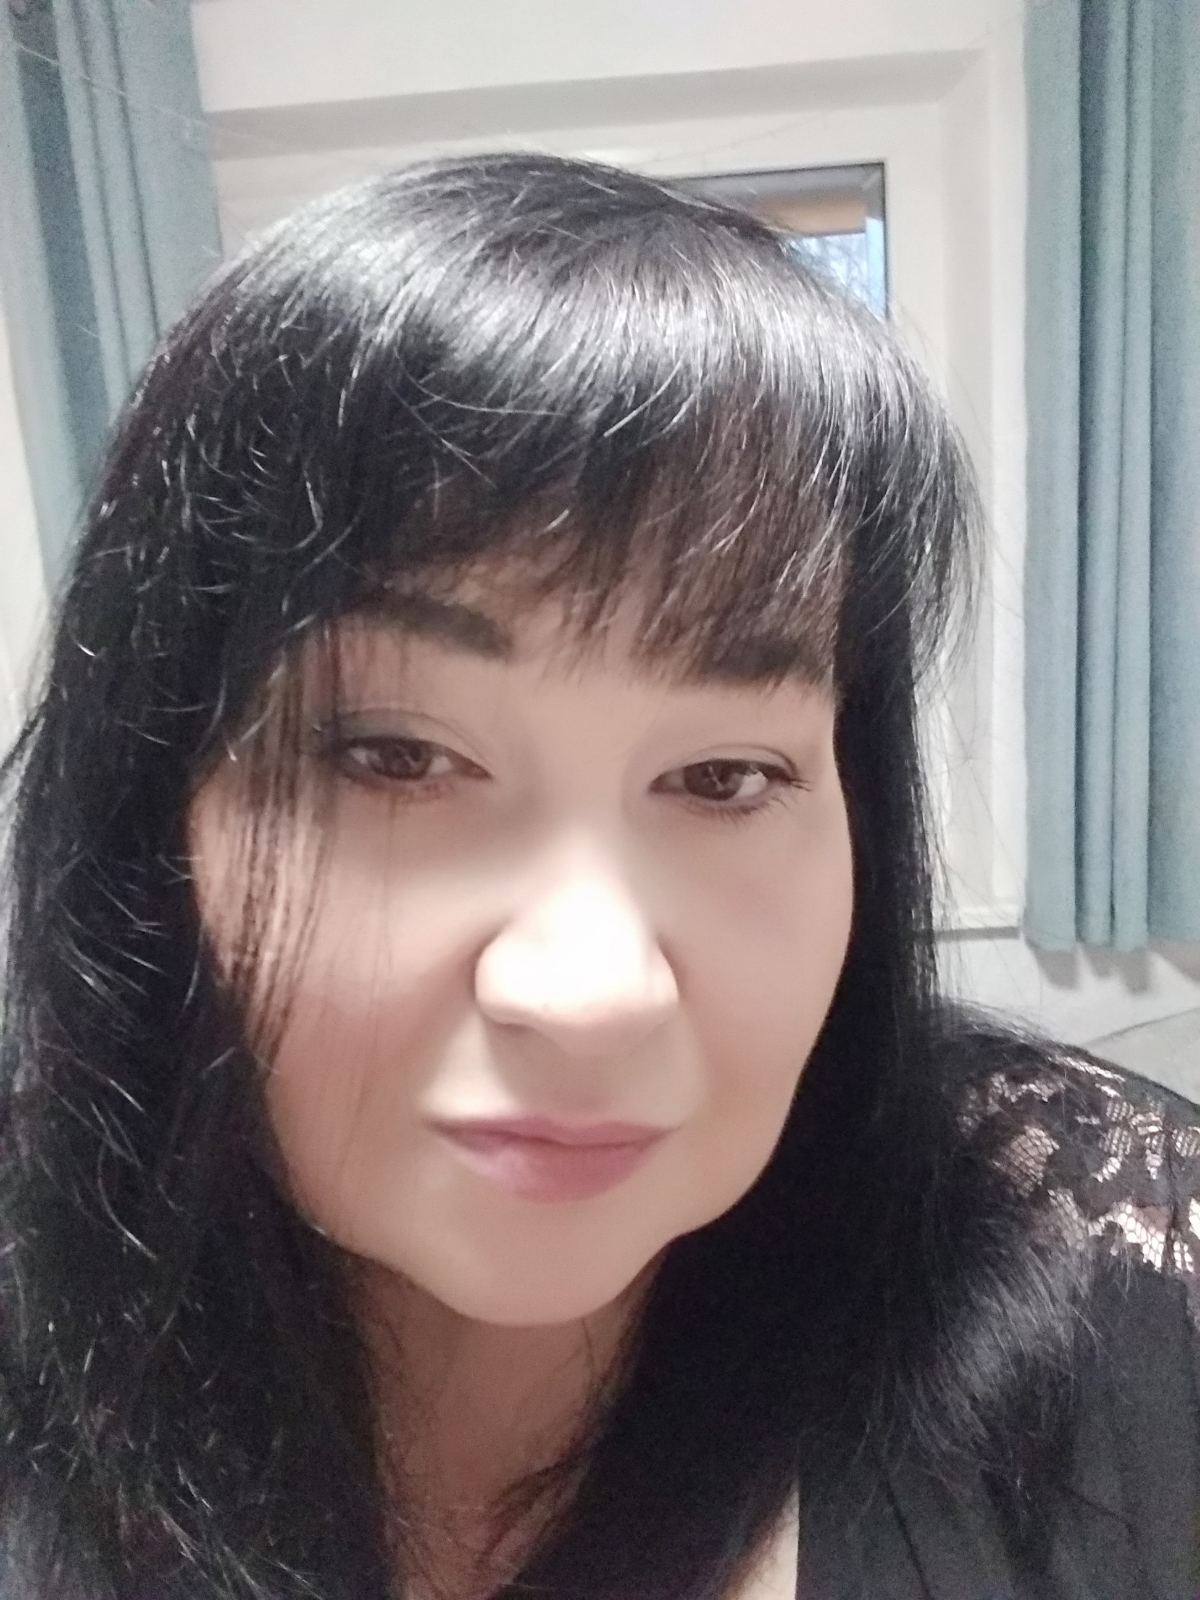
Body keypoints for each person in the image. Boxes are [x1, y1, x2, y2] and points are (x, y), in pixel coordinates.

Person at [0, 151, 1196, 1600]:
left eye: (725, 777)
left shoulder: (1115, 1281)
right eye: (393, 756)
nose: (591, 993)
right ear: (154, 813)